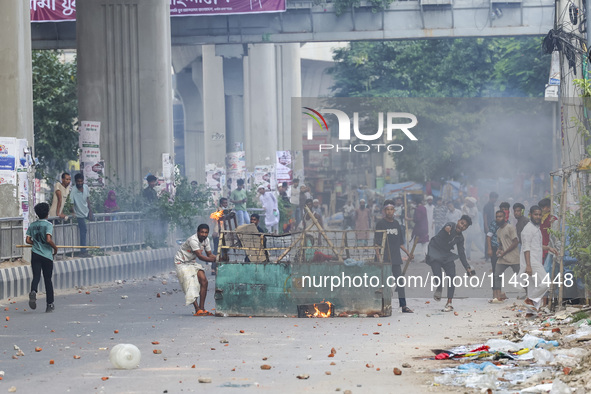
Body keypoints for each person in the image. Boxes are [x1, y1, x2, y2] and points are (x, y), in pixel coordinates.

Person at [426, 215, 476, 312]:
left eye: (465, 226)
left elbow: (461, 254)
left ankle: (449, 303)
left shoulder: (460, 238)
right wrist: (447, 228)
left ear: (466, 229)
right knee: (438, 276)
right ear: (458, 221)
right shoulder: (451, 225)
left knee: (452, 276)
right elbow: (447, 226)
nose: (462, 226)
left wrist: (467, 267)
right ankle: (439, 287)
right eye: (461, 223)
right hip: (434, 251)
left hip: (446, 255)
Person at [374, 199, 414, 313]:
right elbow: (377, 244)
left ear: (394, 211)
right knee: (384, 284)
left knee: (400, 282)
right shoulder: (380, 224)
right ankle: (383, 306)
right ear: (384, 211)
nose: (390, 212)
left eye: (391, 209)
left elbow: (400, 243)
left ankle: (404, 306)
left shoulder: (397, 224)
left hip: (396, 258)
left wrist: (408, 253)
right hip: (384, 259)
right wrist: (379, 259)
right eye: (387, 210)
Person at [520, 206, 557, 313]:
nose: (538, 217)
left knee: (533, 287)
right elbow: (526, 248)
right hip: (531, 261)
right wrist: (528, 265)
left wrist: (548, 248)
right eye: (535, 214)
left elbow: (536, 245)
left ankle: (530, 314)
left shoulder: (535, 228)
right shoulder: (527, 229)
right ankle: (529, 300)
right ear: (530, 214)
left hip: (535, 260)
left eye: (539, 214)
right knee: (546, 283)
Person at [174, 224, 216, 315]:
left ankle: (202, 308)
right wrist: (214, 260)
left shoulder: (207, 240)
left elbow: (209, 255)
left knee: (204, 281)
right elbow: (200, 256)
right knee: (190, 284)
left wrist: (219, 258)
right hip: (181, 262)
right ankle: (197, 309)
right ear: (198, 232)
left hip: (191, 262)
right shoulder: (193, 240)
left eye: (206, 233)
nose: (204, 234)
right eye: (202, 232)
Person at [26, 202, 58, 313]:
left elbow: (28, 240)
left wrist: (36, 243)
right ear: (47, 213)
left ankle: (33, 291)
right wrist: (55, 248)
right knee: (47, 280)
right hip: (47, 256)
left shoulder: (33, 225)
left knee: (36, 276)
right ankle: (49, 304)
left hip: (35, 254)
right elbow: (48, 239)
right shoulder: (48, 225)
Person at [491, 210, 520, 302]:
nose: (498, 218)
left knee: (520, 276)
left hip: (513, 257)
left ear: (505, 218)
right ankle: (499, 296)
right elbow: (500, 244)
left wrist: (505, 251)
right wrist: (499, 250)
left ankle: (529, 294)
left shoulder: (510, 228)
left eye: (500, 216)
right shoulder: (498, 231)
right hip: (503, 258)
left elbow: (516, 242)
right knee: (497, 275)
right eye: (497, 217)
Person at [71, 173, 94, 257]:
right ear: (76, 182)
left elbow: (88, 199)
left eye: (81, 181)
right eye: (78, 181)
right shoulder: (73, 190)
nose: (80, 183)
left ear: (83, 181)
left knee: (93, 223)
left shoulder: (86, 187)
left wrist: (90, 211)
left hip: (86, 211)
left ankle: (88, 248)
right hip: (79, 214)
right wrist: (73, 212)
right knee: (83, 231)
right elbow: (71, 203)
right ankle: (83, 251)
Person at [538, 198, 560, 273]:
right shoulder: (539, 218)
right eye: (541, 208)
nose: (542, 209)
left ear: (549, 208)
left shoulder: (553, 219)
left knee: (547, 267)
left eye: (543, 207)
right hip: (540, 244)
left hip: (549, 245)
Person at [461, 197, 482, 261]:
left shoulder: (474, 209)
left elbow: (470, 217)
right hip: (471, 229)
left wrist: (466, 211)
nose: (467, 203)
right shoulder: (471, 208)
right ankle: (468, 256)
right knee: (468, 242)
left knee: (477, 243)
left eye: (468, 202)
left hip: (474, 229)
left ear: (472, 203)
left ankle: (487, 253)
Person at [483, 192, 499, 260]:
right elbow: (485, 216)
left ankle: (490, 255)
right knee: (488, 240)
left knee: (491, 240)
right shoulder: (487, 206)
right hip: (488, 225)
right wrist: (486, 226)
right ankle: (487, 256)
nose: (495, 199)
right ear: (491, 198)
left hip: (492, 225)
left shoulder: (493, 205)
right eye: (494, 198)